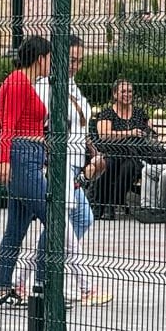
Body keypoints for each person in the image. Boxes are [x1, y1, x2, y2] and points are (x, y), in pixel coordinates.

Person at [27, 35, 113, 306]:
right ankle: (84, 285)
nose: (75, 65)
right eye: (72, 59)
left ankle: (22, 278)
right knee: (65, 223)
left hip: (76, 159)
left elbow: (80, 126)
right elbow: (42, 123)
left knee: (74, 222)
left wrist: (93, 152)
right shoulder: (46, 86)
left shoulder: (73, 87)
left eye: (80, 60)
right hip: (57, 162)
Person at [0, 35, 51, 309]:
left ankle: (2, 289)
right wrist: (4, 159)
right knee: (56, 220)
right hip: (23, 157)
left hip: (26, 155)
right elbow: (6, 126)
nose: (52, 64)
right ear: (40, 59)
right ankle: (42, 285)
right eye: (50, 58)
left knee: (15, 229)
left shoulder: (17, 83)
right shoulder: (18, 83)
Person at [93, 79, 165, 219]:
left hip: (135, 154)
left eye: (130, 91)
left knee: (128, 168)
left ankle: (111, 206)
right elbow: (103, 135)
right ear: (115, 94)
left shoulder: (139, 113)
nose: (127, 94)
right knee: (110, 166)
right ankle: (98, 205)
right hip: (114, 153)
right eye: (123, 91)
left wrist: (147, 132)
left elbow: (151, 132)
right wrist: (129, 133)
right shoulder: (107, 113)